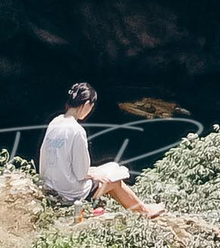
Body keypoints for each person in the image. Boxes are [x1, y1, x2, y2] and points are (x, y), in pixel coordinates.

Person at [38, 82, 165, 218]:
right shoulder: (77, 131)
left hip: (50, 183)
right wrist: (92, 174)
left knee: (111, 167)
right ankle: (144, 212)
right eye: (91, 106)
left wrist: (92, 172)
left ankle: (141, 208)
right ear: (86, 104)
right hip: (68, 191)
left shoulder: (55, 122)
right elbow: (81, 173)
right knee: (114, 180)